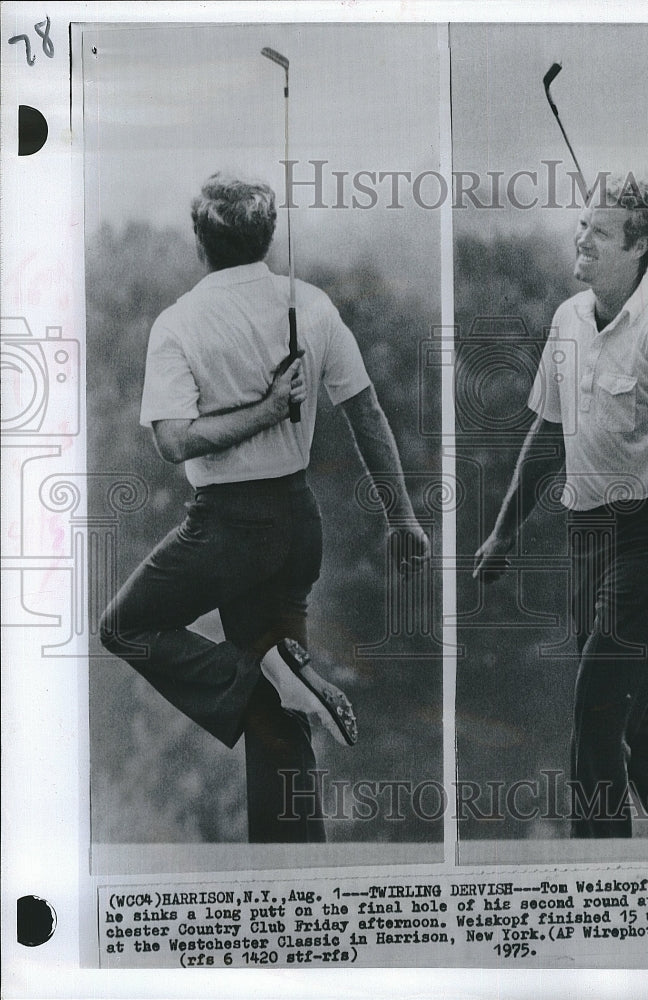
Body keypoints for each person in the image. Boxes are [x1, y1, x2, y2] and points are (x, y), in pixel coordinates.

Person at [100, 173, 429, 843]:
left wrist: (264, 410)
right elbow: (366, 413)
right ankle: (296, 885)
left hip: (227, 527)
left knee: (125, 627)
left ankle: (260, 681)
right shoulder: (312, 305)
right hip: (294, 523)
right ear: (269, 235)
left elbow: (173, 441)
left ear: (200, 241)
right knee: (284, 742)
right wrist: (402, 515)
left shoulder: (180, 322)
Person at [473, 175, 648, 838]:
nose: (582, 239)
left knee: (597, 709)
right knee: (628, 719)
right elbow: (546, 434)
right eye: (583, 226)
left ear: (638, 247)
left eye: (597, 232)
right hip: (587, 534)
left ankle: (597, 874)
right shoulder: (570, 318)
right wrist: (503, 535)